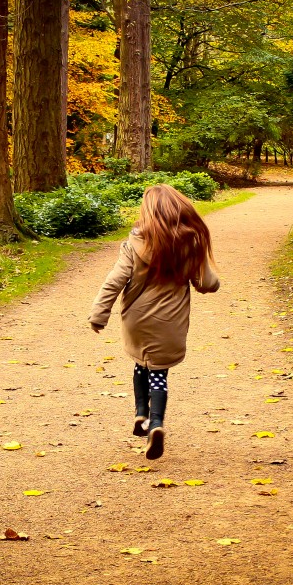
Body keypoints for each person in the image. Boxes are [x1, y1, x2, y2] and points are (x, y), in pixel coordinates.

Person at [89, 184, 220, 460]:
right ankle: (156, 424)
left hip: (137, 318)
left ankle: (140, 414)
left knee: (140, 362)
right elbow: (208, 283)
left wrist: (99, 314)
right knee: (159, 372)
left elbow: (114, 281)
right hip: (170, 321)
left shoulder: (134, 243)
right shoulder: (191, 243)